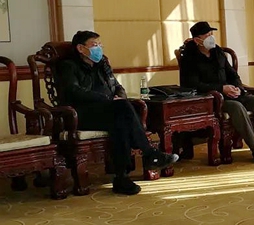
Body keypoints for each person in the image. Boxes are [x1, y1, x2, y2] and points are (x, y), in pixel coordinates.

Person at [57, 31, 179, 195]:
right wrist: (107, 99)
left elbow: (118, 87)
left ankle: (122, 178)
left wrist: (120, 97)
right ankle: (148, 154)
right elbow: (74, 91)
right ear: (80, 48)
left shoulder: (102, 65)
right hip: (82, 114)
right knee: (121, 112)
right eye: (94, 45)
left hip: (110, 111)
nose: (99, 48)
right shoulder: (68, 66)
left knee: (121, 121)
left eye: (100, 44)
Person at [180, 22, 254, 163]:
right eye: (207, 35)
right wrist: (222, 88)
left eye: (211, 34)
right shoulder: (189, 58)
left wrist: (238, 88)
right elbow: (193, 85)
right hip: (213, 99)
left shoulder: (218, 52)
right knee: (237, 107)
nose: (211, 37)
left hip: (232, 93)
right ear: (197, 40)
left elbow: (233, 75)